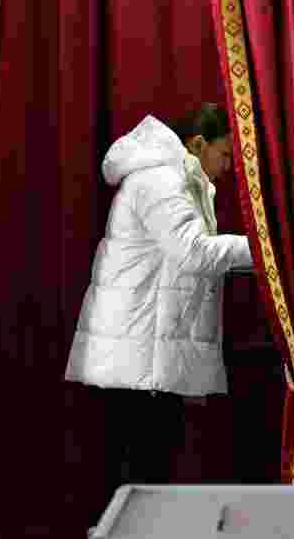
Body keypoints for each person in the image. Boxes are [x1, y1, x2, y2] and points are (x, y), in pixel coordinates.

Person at [64, 103, 252, 490]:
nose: (229, 166)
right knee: (141, 481)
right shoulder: (161, 181)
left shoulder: (173, 179)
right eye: (224, 154)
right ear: (198, 144)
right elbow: (195, 252)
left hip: (142, 354)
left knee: (142, 479)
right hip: (137, 361)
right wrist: (270, 250)